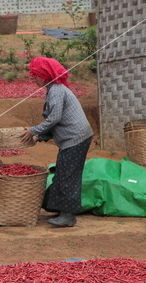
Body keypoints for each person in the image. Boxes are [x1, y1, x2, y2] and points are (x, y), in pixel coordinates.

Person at [21, 57, 94, 228]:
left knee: (68, 175)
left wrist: (33, 130)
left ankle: (68, 216)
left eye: (35, 75)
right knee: (62, 172)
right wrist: (40, 136)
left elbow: (54, 118)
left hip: (76, 138)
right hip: (73, 138)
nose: (33, 79)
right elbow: (56, 121)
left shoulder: (56, 90)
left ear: (43, 75)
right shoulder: (54, 89)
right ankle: (59, 208)